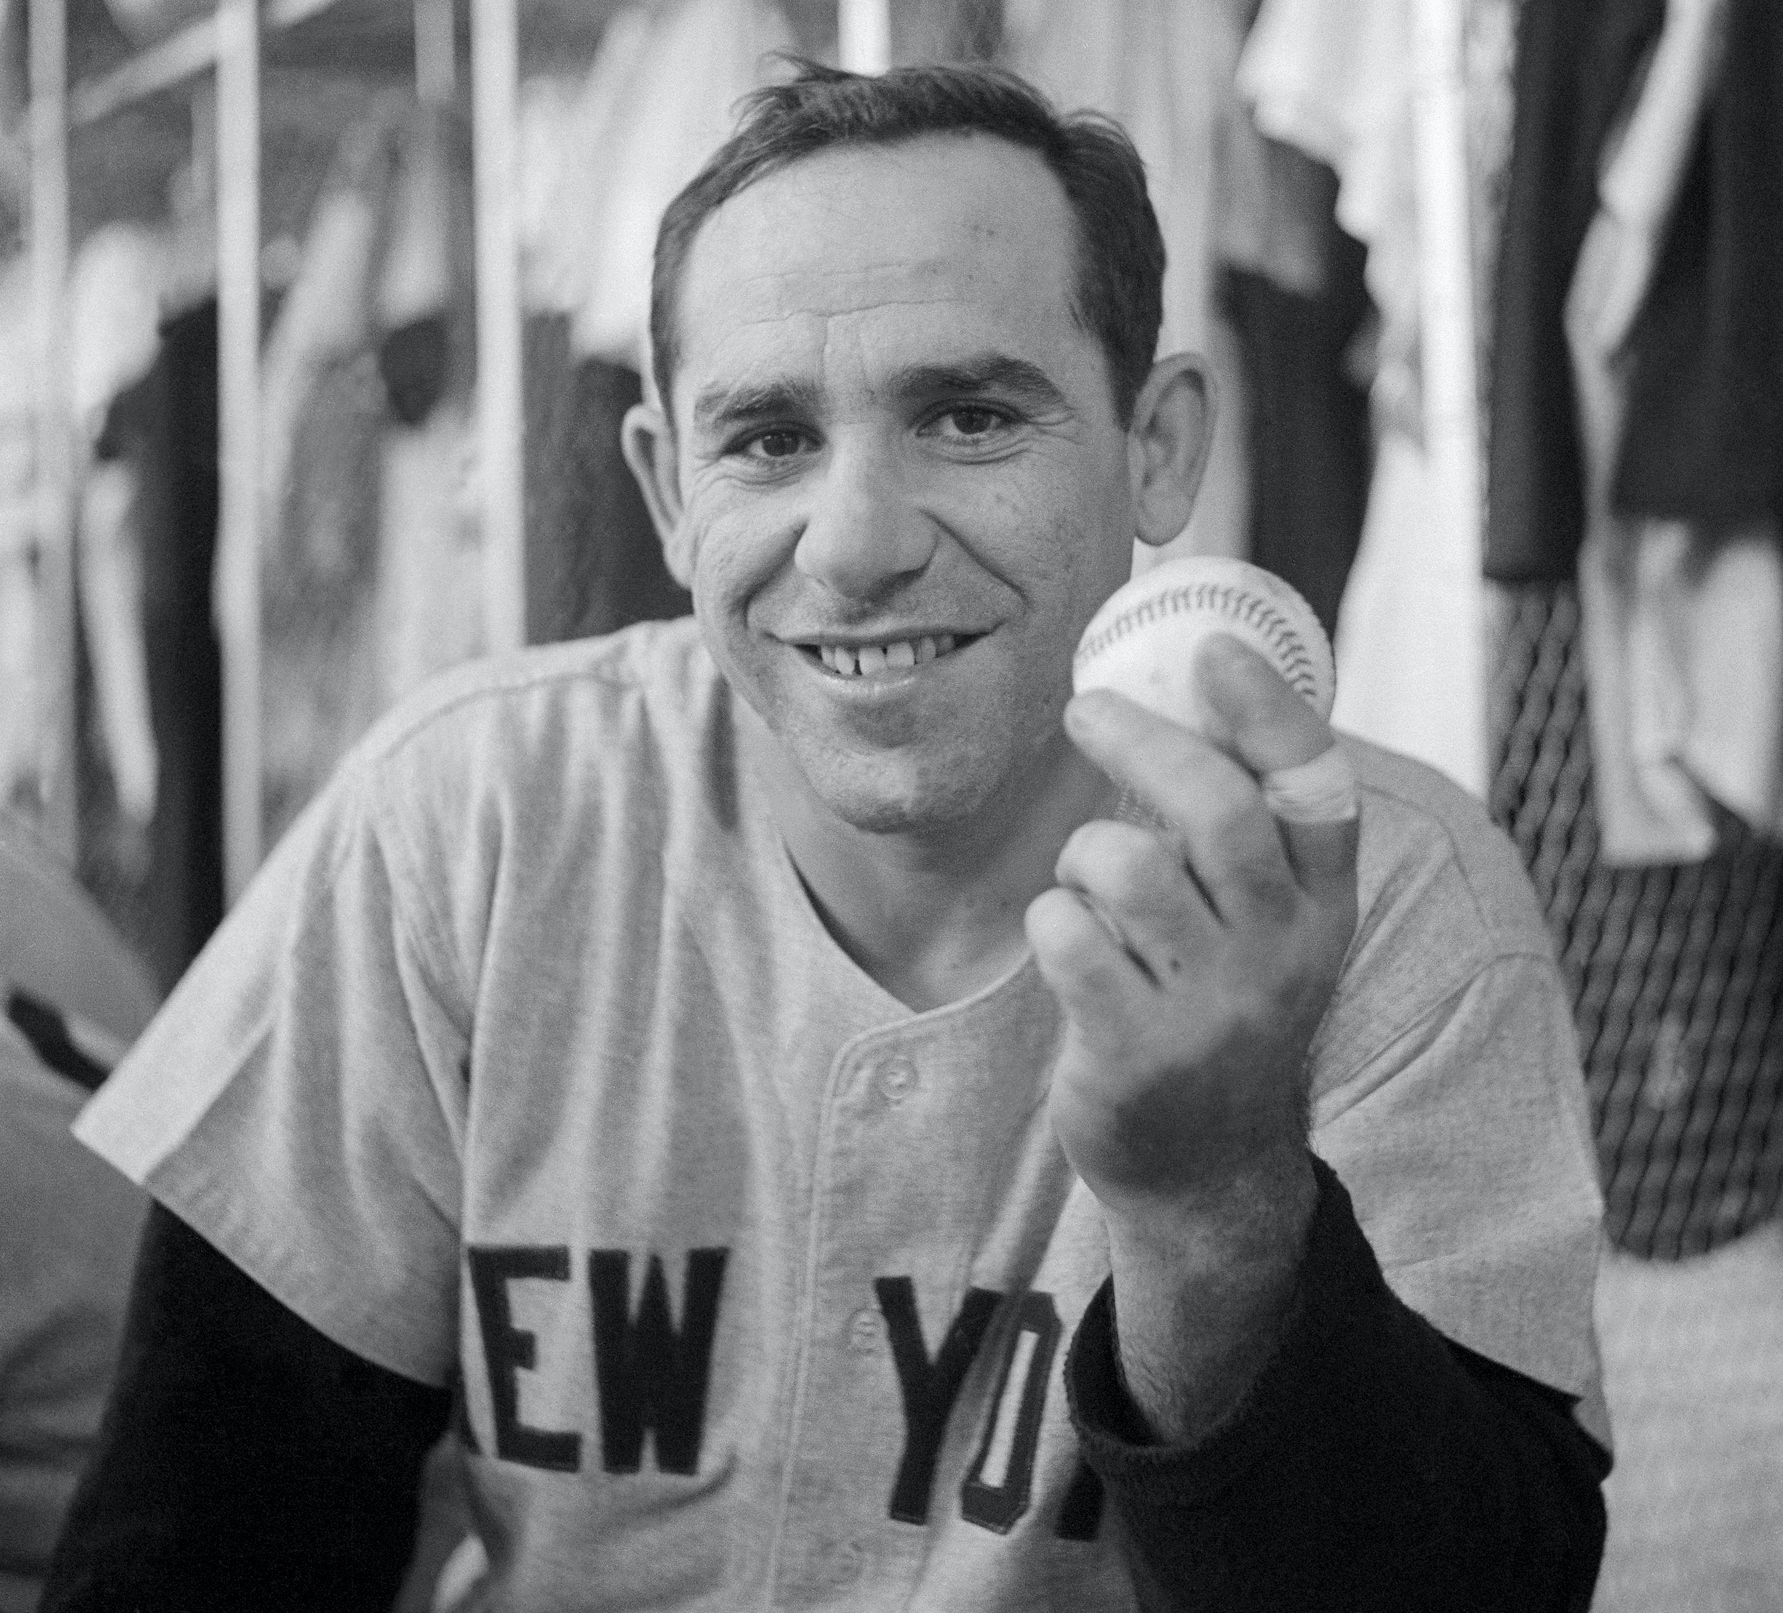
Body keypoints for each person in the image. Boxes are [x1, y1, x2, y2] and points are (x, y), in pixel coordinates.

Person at [43, 62, 1609, 1612]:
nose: (855, 545)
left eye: (971, 414)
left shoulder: (1388, 896)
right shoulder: (467, 825)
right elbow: (202, 1537)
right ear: (665, 488)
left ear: (1157, 446)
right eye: (770, 440)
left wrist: (1220, 1201)